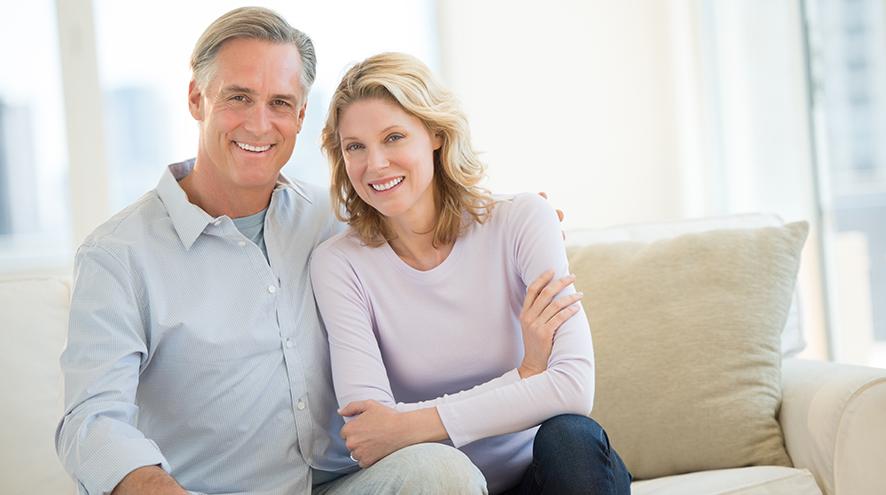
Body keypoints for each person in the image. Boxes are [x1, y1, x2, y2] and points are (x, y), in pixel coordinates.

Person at [54, 8, 487, 495]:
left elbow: (431, 224)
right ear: (198, 99)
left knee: (445, 475)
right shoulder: (118, 255)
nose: (260, 124)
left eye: (280, 102)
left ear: (301, 115)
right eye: (239, 97)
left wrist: (513, 223)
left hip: (347, 483)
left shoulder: (338, 220)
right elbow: (91, 419)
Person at [310, 53, 632, 494]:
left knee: (571, 438)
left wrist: (406, 423)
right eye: (355, 147)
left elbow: (574, 389)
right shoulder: (339, 264)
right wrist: (526, 377)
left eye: (394, 137)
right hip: (443, 485)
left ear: (436, 135)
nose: (376, 164)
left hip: (546, 478)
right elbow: (370, 435)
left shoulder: (522, 220)